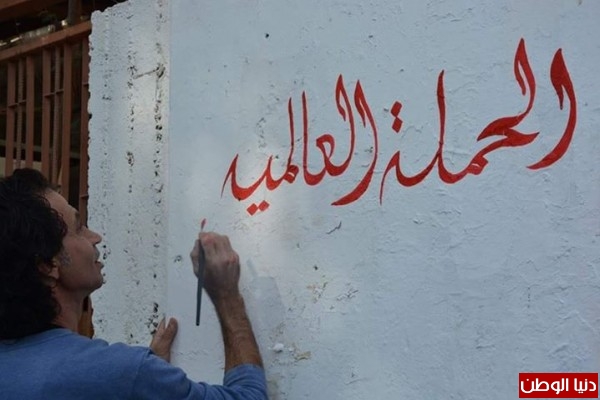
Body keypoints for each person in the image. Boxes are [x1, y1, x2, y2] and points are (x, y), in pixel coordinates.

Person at [0, 168, 267, 399]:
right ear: (47, 264)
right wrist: (227, 297)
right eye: (79, 228)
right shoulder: (122, 372)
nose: (95, 236)